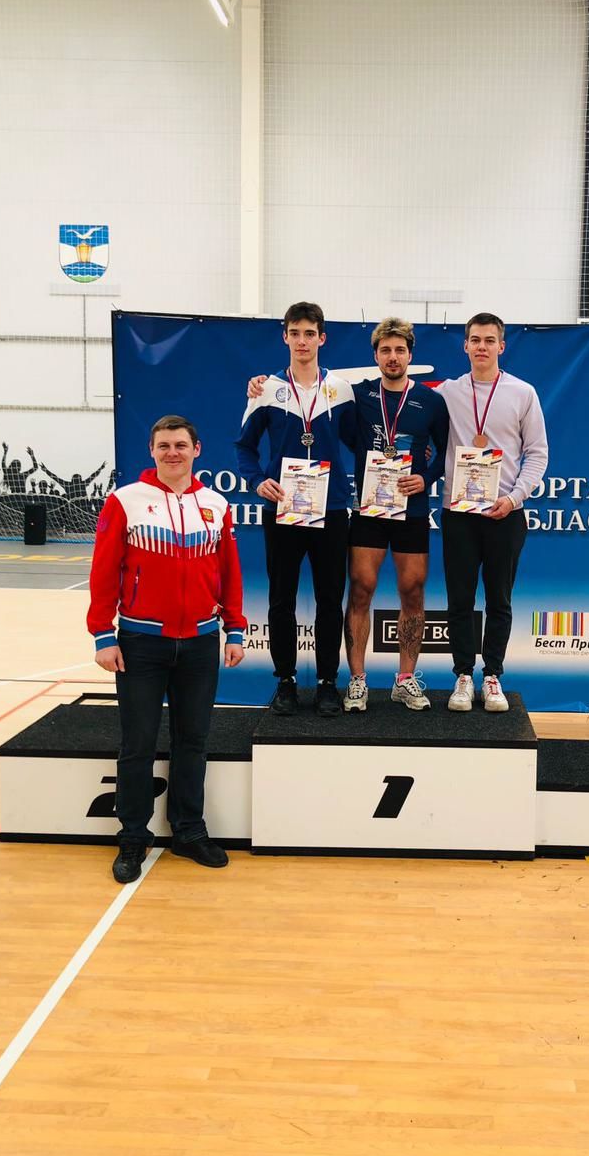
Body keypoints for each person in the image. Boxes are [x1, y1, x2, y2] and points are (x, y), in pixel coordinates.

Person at [247, 316, 449, 713]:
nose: (393, 357)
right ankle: (355, 680)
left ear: (410, 354)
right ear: (375, 355)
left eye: (400, 350)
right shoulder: (353, 393)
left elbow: (445, 452)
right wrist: (259, 384)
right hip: (366, 507)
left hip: (410, 507)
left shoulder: (431, 401)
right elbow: (338, 431)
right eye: (386, 350)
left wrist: (426, 477)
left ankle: (405, 679)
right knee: (359, 590)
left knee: (412, 591)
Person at [88, 415, 246, 884]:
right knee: (137, 744)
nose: (172, 452)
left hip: (200, 642)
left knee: (193, 742)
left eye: (180, 445)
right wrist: (103, 634)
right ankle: (133, 836)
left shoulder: (215, 504)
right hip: (141, 642)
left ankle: (189, 830)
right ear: (152, 451)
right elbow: (104, 570)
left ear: (197, 449)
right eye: (164, 446)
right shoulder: (125, 501)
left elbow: (229, 572)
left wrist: (235, 629)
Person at [236, 302, 355, 718]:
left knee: (330, 600)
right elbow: (245, 447)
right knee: (281, 599)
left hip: (331, 508)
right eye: (295, 333)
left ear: (322, 338)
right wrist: (256, 481)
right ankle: (285, 681)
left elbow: (363, 442)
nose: (302, 341)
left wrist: (409, 451)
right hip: (283, 506)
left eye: (309, 333)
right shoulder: (266, 389)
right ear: (284, 337)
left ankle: (327, 683)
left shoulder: (341, 389)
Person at [436, 313, 548, 713]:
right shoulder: (446, 392)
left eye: (489, 340)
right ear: (464, 345)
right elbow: (395, 391)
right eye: (474, 340)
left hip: (505, 514)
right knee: (460, 600)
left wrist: (514, 498)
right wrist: (263, 384)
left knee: (499, 600)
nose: (481, 346)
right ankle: (463, 676)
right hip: (459, 514)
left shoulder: (523, 393)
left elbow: (537, 453)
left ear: (501, 346)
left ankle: (493, 675)